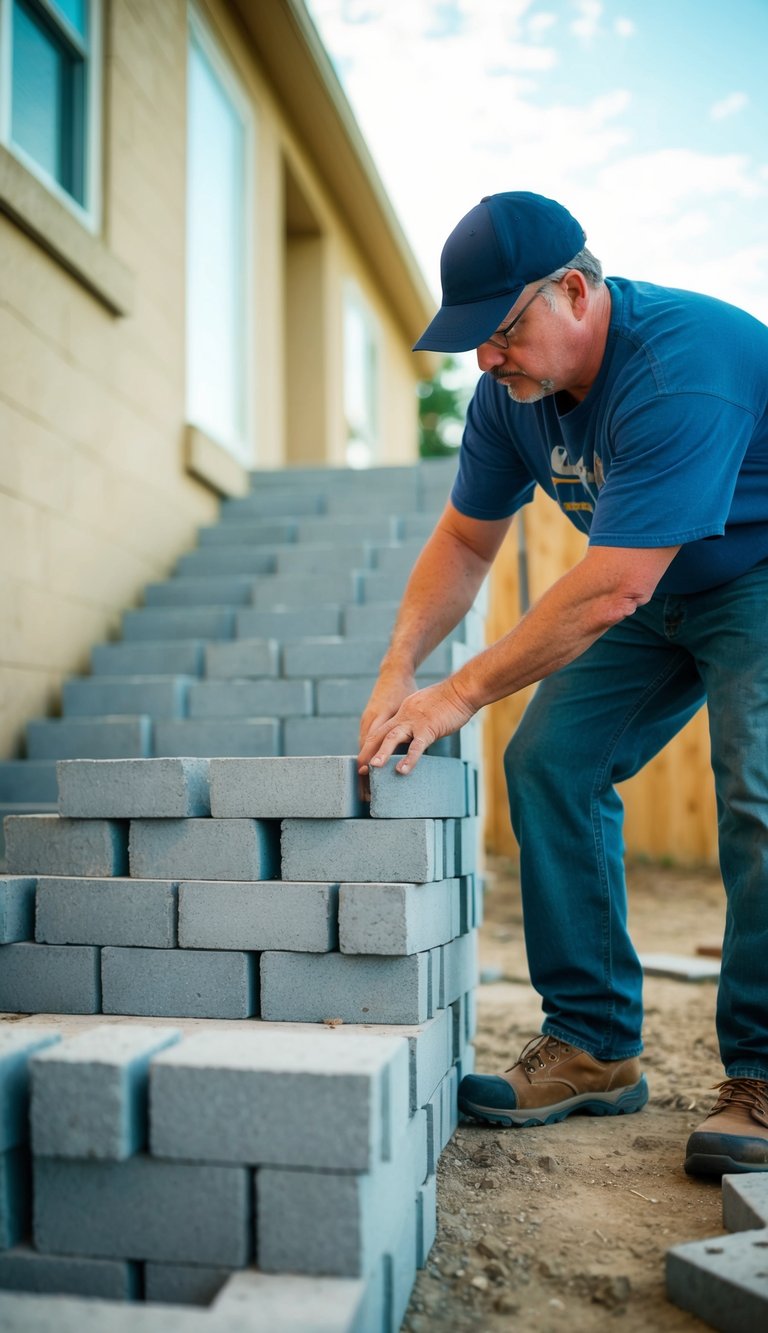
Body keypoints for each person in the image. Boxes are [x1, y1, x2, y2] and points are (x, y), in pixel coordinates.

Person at [357, 190, 768, 1178]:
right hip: (656, 584)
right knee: (550, 762)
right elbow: (466, 541)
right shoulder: (510, 398)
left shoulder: (680, 367)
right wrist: (399, 670)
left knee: (758, 791)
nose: (485, 358)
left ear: (575, 292)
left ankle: (762, 1075)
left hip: (750, 572)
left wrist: (458, 694)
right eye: (474, 339)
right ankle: (594, 1043)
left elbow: (615, 584)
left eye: (500, 332)